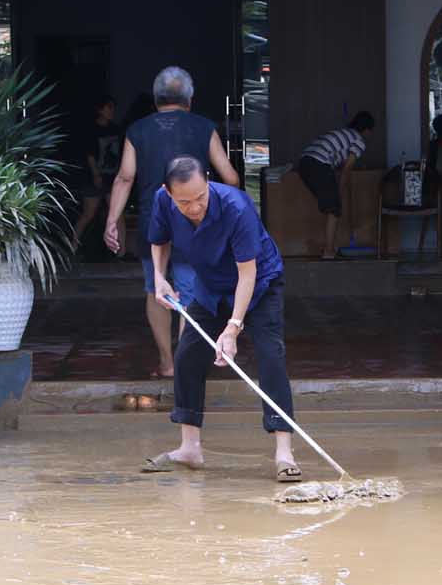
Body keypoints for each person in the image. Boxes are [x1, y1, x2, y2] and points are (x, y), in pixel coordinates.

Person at [139, 155, 300, 483]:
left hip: (258, 286)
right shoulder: (163, 201)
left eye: (200, 198)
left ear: (208, 183)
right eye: (185, 201)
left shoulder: (236, 206)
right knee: (187, 356)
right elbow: (159, 240)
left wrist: (233, 327)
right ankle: (189, 449)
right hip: (211, 287)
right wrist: (159, 277)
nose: (195, 207)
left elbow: (248, 273)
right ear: (168, 193)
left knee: (270, 356)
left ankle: (284, 451)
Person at [106, 67, 240, 378]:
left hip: (152, 219)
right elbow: (231, 177)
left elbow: (125, 176)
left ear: (155, 100)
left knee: (156, 288)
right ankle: (184, 363)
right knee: (190, 290)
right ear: (190, 100)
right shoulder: (204, 127)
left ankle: (166, 362)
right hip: (195, 220)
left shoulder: (137, 130)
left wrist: (112, 221)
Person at [296, 111, 375, 259]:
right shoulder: (359, 141)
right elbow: (346, 169)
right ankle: (329, 251)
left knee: (329, 207)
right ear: (367, 130)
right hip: (319, 164)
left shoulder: (344, 133)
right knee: (334, 209)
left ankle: (331, 245)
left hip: (304, 163)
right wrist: (340, 192)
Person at [71, 96, 122, 254]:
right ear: (100, 110)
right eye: (108, 107)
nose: (111, 111)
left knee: (118, 213)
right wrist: (96, 175)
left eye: (113, 108)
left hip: (113, 176)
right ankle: (72, 246)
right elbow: (90, 155)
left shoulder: (115, 129)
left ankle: (122, 251)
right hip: (95, 177)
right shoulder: (92, 130)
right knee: (89, 213)